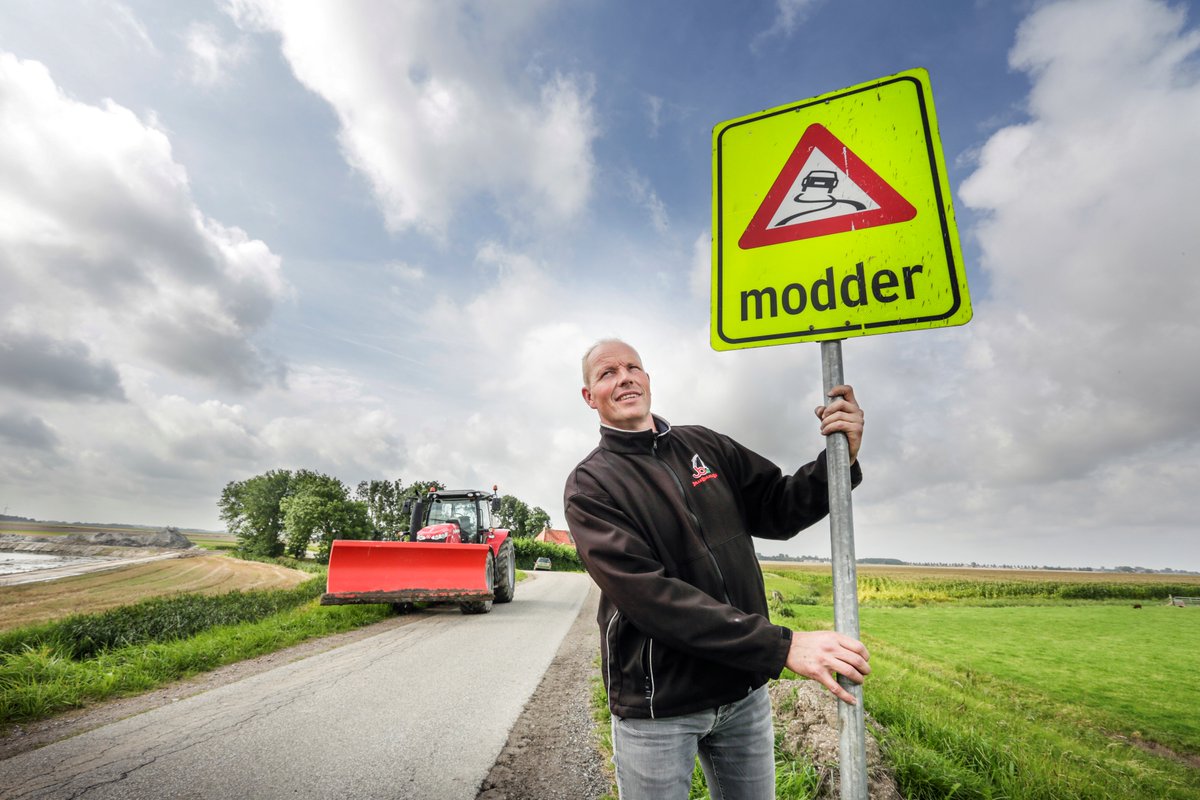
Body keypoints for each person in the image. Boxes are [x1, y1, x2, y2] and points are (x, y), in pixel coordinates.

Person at [563, 339, 870, 800]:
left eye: (633, 367)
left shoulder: (704, 445)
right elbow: (652, 599)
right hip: (660, 705)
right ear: (590, 397)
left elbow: (777, 507)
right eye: (607, 373)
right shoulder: (590, 486)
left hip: (740, 694)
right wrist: (782, 645)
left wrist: (838, 459)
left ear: (647, 379)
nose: (624, 377)